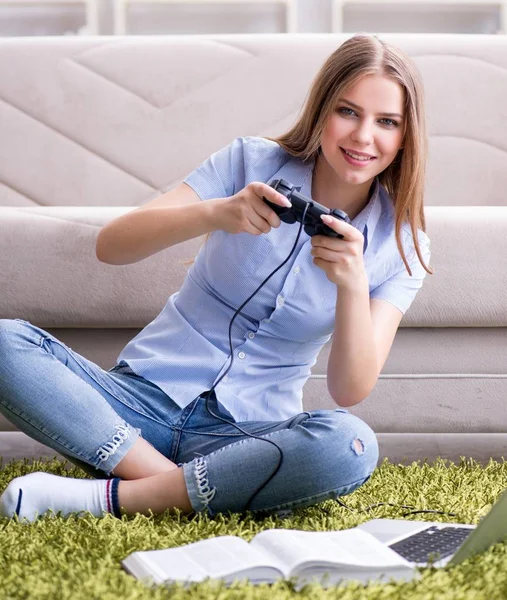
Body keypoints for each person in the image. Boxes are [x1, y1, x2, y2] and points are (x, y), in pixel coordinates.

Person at [0, 33, 431, 522]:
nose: (362, 136)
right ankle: (176, 489)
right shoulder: (249, 161)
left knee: (350, 445)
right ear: (321, 111)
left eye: (387, 122)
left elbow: (349, 390)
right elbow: (112, 246)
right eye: (347, 111)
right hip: (138, 403)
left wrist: (352, 285)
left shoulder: (403, 245)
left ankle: (117, 496)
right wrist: (217, 214)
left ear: (405, 135)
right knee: (3, 341)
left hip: (242, 438)